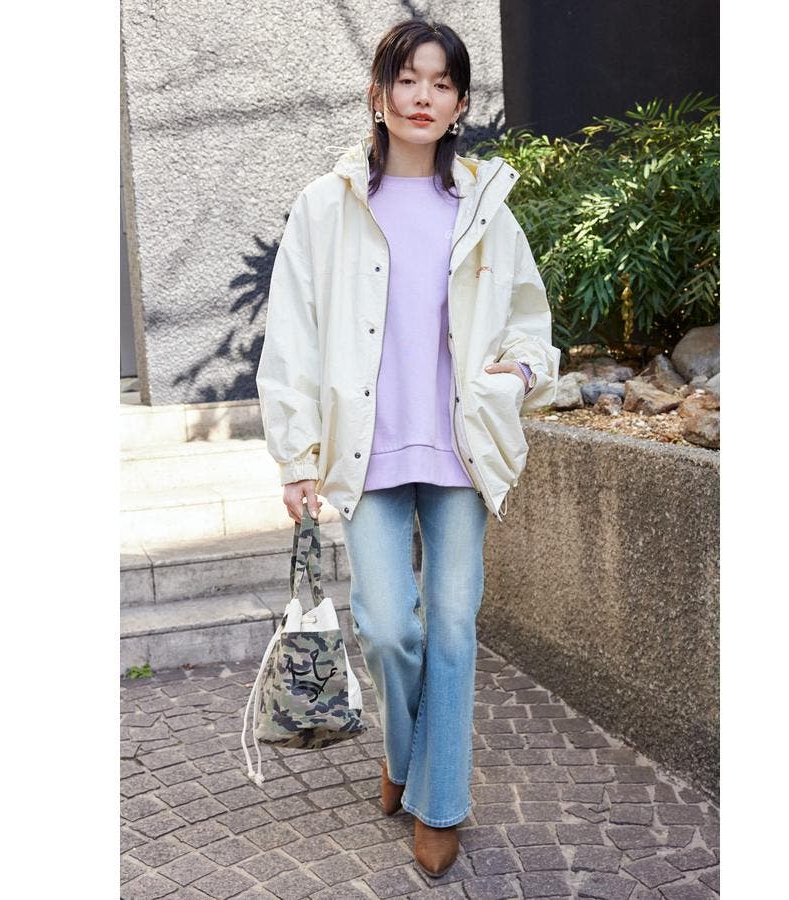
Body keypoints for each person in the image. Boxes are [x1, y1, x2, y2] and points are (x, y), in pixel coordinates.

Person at [255, 18, 560, 879]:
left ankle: (439, 802)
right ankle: (401, 753)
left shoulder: (484, 208)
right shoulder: (327, 206)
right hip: (368, 452)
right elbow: (293, 337)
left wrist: (519, 371)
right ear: (379, 92)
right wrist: (297, 457)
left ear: (460, 104)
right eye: (408, 79)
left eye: (442, 83)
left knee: (453, 627)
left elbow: (531, 322)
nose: (423, 97)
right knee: (389, 627)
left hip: (461, 450)